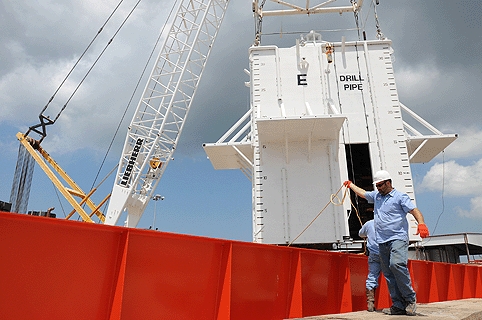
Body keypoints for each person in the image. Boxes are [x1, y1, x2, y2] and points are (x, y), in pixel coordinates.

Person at [344, 170, 429, 316]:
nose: (378, 188)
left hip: (397, 238)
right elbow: (363, 193)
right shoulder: (377, 196)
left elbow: (414, 210)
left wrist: (421, 223)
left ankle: (409, 300)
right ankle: (398, 305)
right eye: (376, 185)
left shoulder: (400, 197)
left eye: (380, 185)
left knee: (396, 265)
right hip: (381, 241)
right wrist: (351, 185)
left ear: (388, 182)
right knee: (389, 273)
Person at [359, 219, 381, 312]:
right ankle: (398, 303)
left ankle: (370, 303)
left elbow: (361, 234)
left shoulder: (368, 223)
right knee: (392, 276)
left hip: (373, 254)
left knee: (372, 276)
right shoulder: (387, 221)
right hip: (386, 253)